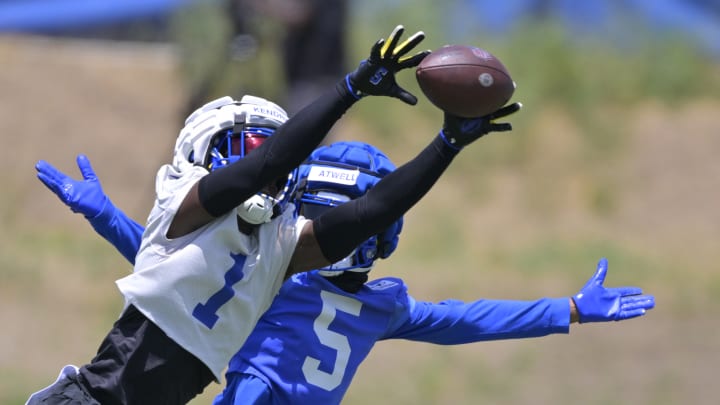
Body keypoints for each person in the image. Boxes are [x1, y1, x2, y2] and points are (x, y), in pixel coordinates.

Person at [27, 24, 522, 405]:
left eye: (261, 148)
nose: (263, 167)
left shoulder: (277, 251)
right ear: (206, 152)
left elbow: (370, 212)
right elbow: (270, 162)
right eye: (240, 149)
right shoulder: (184, 208)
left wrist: (448, 144)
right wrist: (349, 88)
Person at [35, 142, 655, 405]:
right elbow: (470, 320)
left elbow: (177, 281)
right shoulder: (383, 304)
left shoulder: (278, 276)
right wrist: (566, 308)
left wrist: (105, 217)